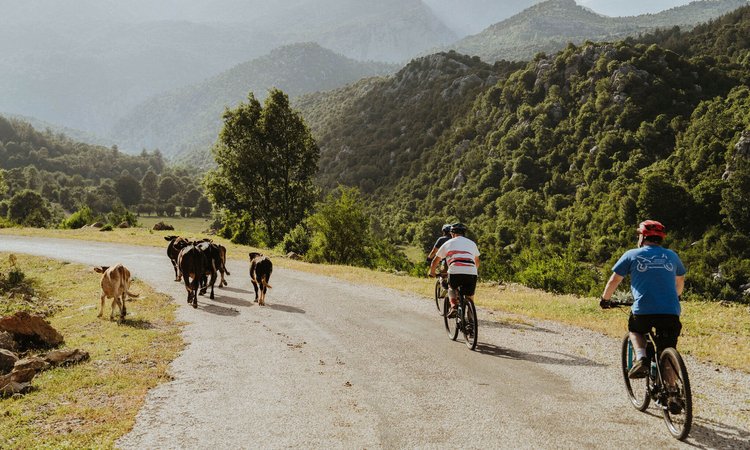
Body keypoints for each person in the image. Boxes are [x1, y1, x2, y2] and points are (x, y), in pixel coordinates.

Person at [599, 220, 686, 379]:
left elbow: (614, 280)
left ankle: (641, 358)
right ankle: (674, 394)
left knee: (635, 330)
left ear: (643, 237)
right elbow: (680, 281)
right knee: (667, 351)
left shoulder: (632, 254)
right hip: (670, 311)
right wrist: (676, 296)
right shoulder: (672, 255)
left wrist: (605, 299)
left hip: (644, 310)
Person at [429, 223, 480, 318]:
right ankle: (470, 319)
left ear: (452, 233)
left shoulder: (448, 243)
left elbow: (435, 261)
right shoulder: (472, 243)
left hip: (455, 271)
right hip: (471, 272)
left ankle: (453, 307)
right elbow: (477, 261)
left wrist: (431, 272)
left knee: (451, 287)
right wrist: (473, 271)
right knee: (470, 296)